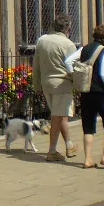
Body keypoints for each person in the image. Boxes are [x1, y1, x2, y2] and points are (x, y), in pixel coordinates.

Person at [66, 24, 104, 169]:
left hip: (86, 93)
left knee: (88, 127)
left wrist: (73, 76)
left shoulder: (84, 49)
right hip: (103, 94)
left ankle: (88, 160)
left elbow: (68, 61)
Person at [32, 14, 78, 161]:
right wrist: (78, 84)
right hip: (62, 84)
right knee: (57, 117)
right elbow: (74, 67)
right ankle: (52, 151)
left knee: (60, 114)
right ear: (67, 28)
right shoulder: (68, 44)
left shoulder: (42, 40)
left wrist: (36, 84)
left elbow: (36, 65)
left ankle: (69, 145)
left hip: (47, 83)